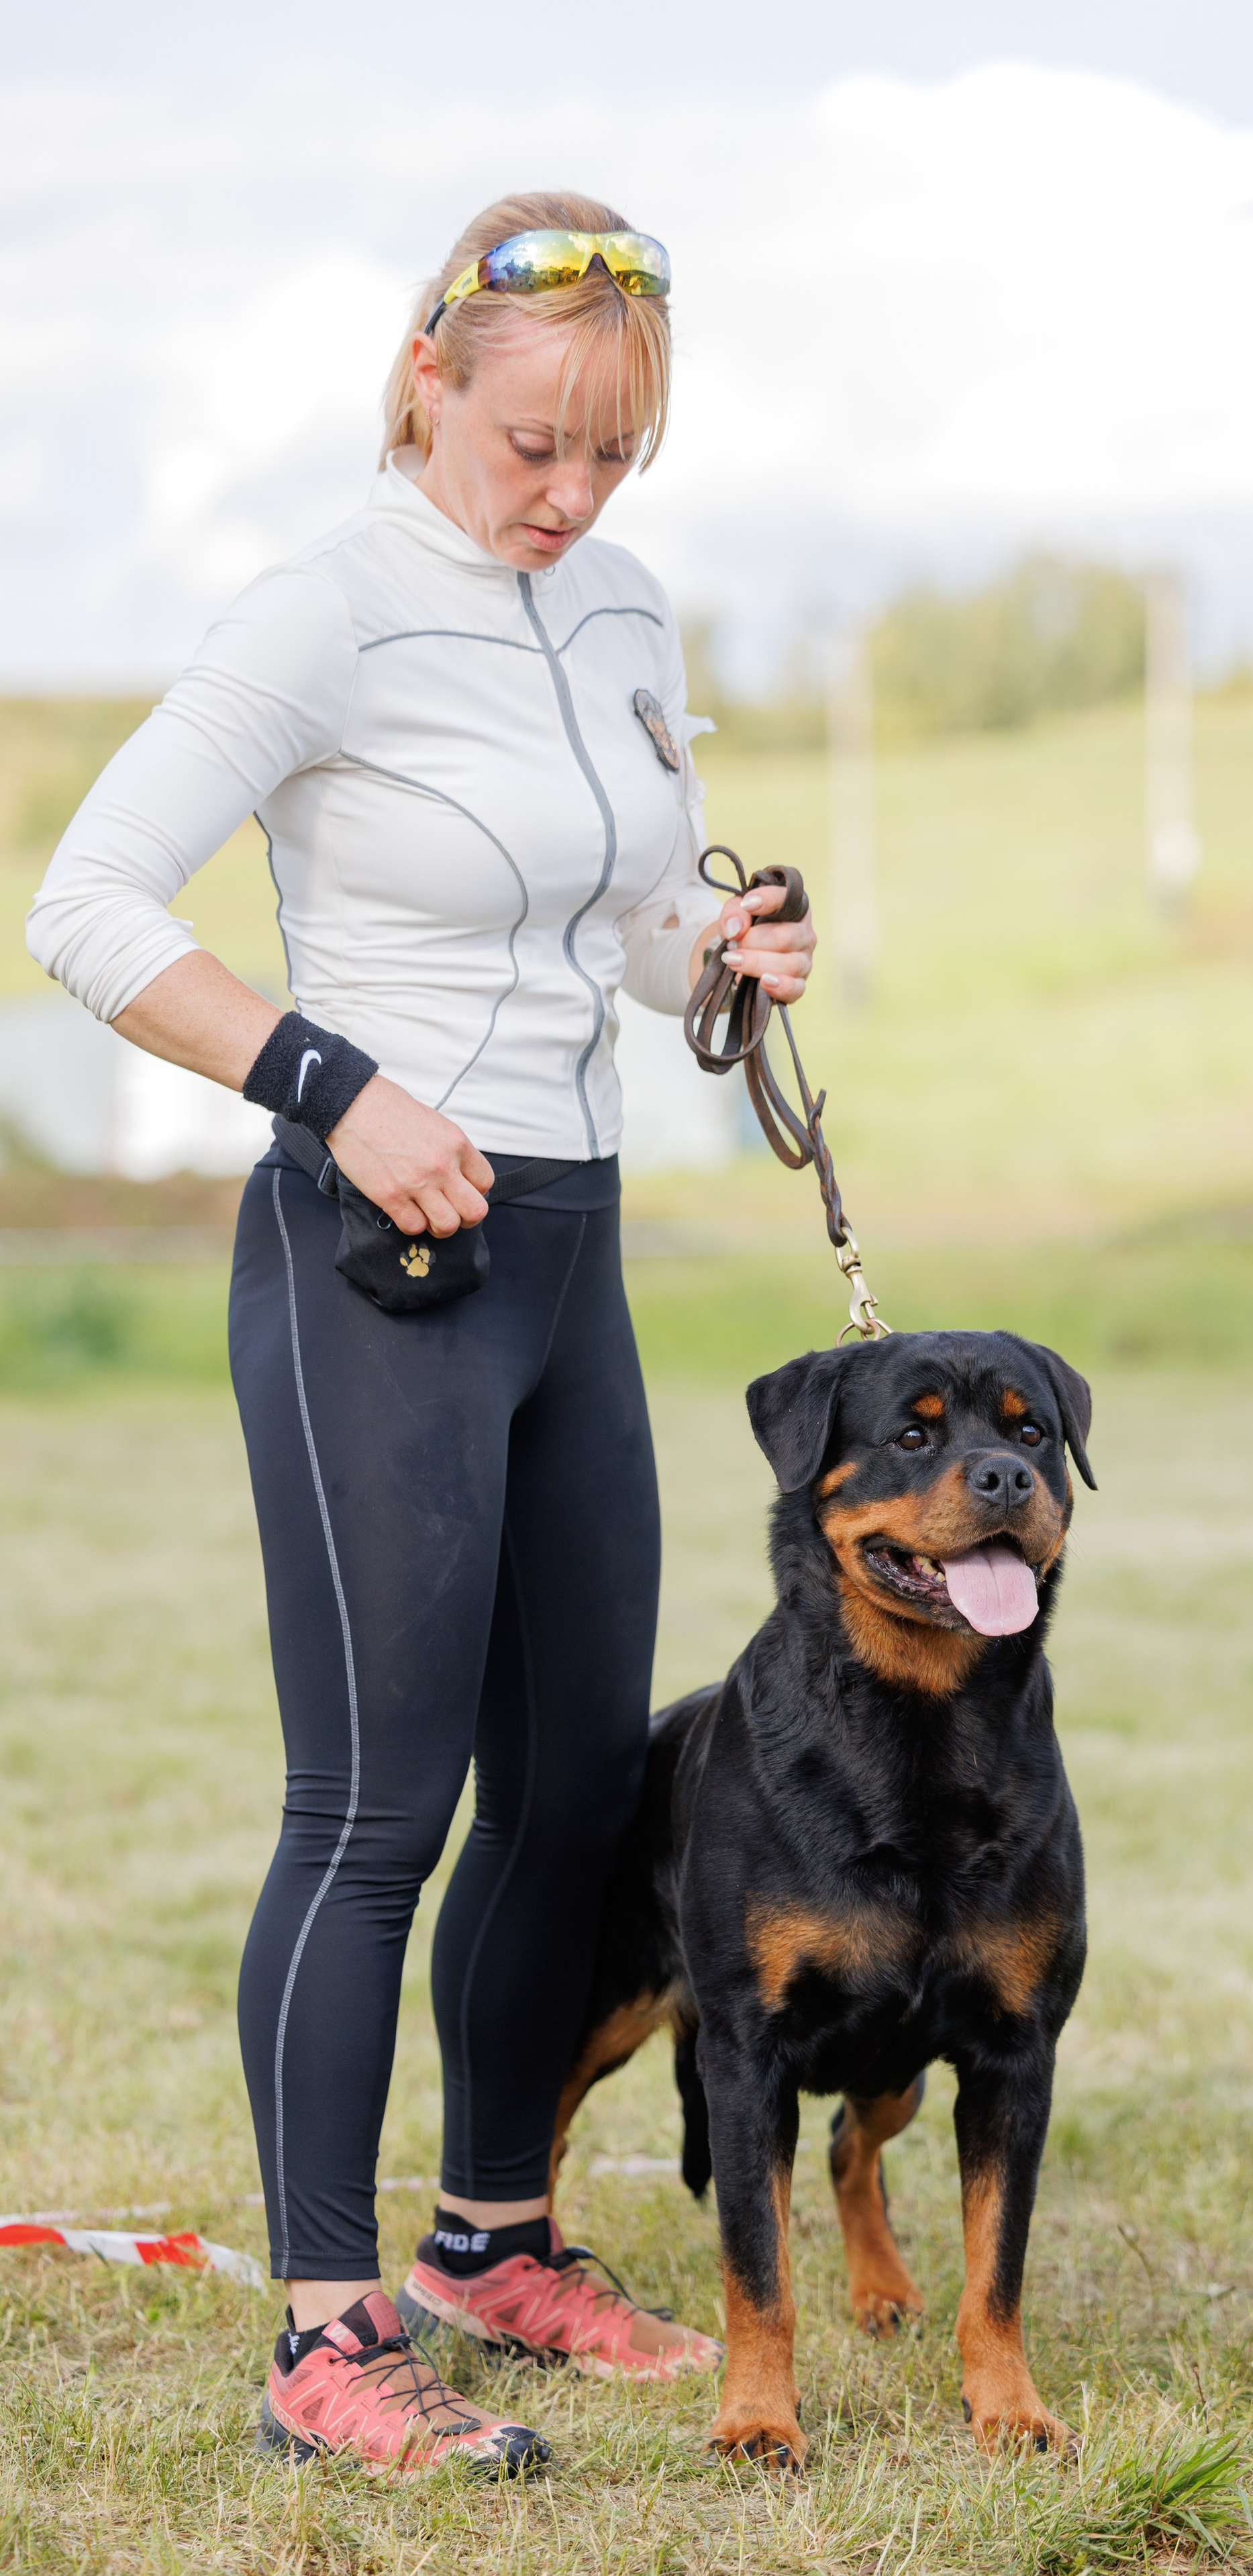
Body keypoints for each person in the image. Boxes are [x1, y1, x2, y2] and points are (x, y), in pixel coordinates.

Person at [27, 189, 817, 2478]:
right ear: (429, 381)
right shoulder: (327, 612)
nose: (568, 498)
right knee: (371, 1807)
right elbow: (78, 905)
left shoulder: (627, 605)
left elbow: (619, 921)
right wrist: (332, 1088)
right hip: (373, 1260)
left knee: (577, 1787)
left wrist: (715, 955)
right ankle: (317, 2330)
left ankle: (493, 2242)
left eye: (614, 459)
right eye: (536, 444)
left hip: (572, 1250)